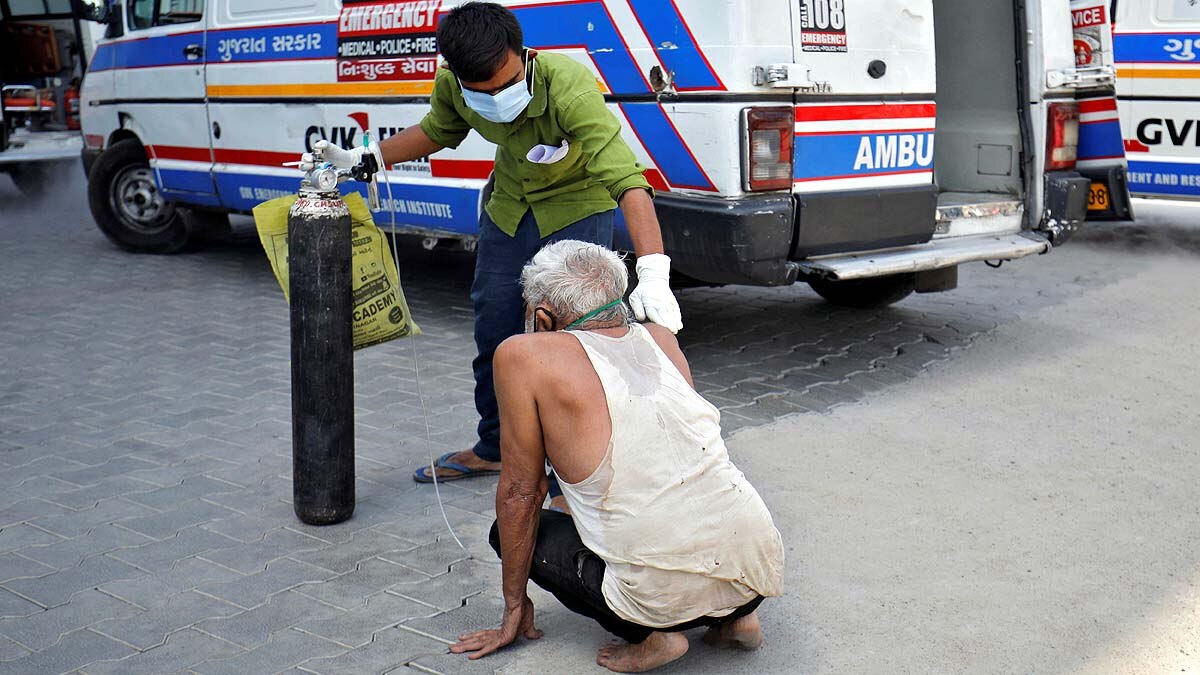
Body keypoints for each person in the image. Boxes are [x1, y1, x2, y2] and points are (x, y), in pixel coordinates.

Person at [306, 2, 683, 492]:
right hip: (510, 207)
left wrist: (653, 272)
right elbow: (438, 130)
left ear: (521, 54)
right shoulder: (453, 84)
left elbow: (627, 181)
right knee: (495, 328)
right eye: (483, 92)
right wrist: (368, 158)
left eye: (507, 85)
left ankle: (574, 474)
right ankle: (496, 448)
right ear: (455, 73)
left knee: (576, 339)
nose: (498, 98)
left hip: (578, 206)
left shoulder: (568, 87)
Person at [448, 241, 784, 672]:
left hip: (656, 602)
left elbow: (521, 492)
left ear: (543, 317)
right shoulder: (660, 337)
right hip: (754, 567)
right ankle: (739, 619)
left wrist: (515, 605)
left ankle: (657, 637)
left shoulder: (523, 355)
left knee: (509, 530)